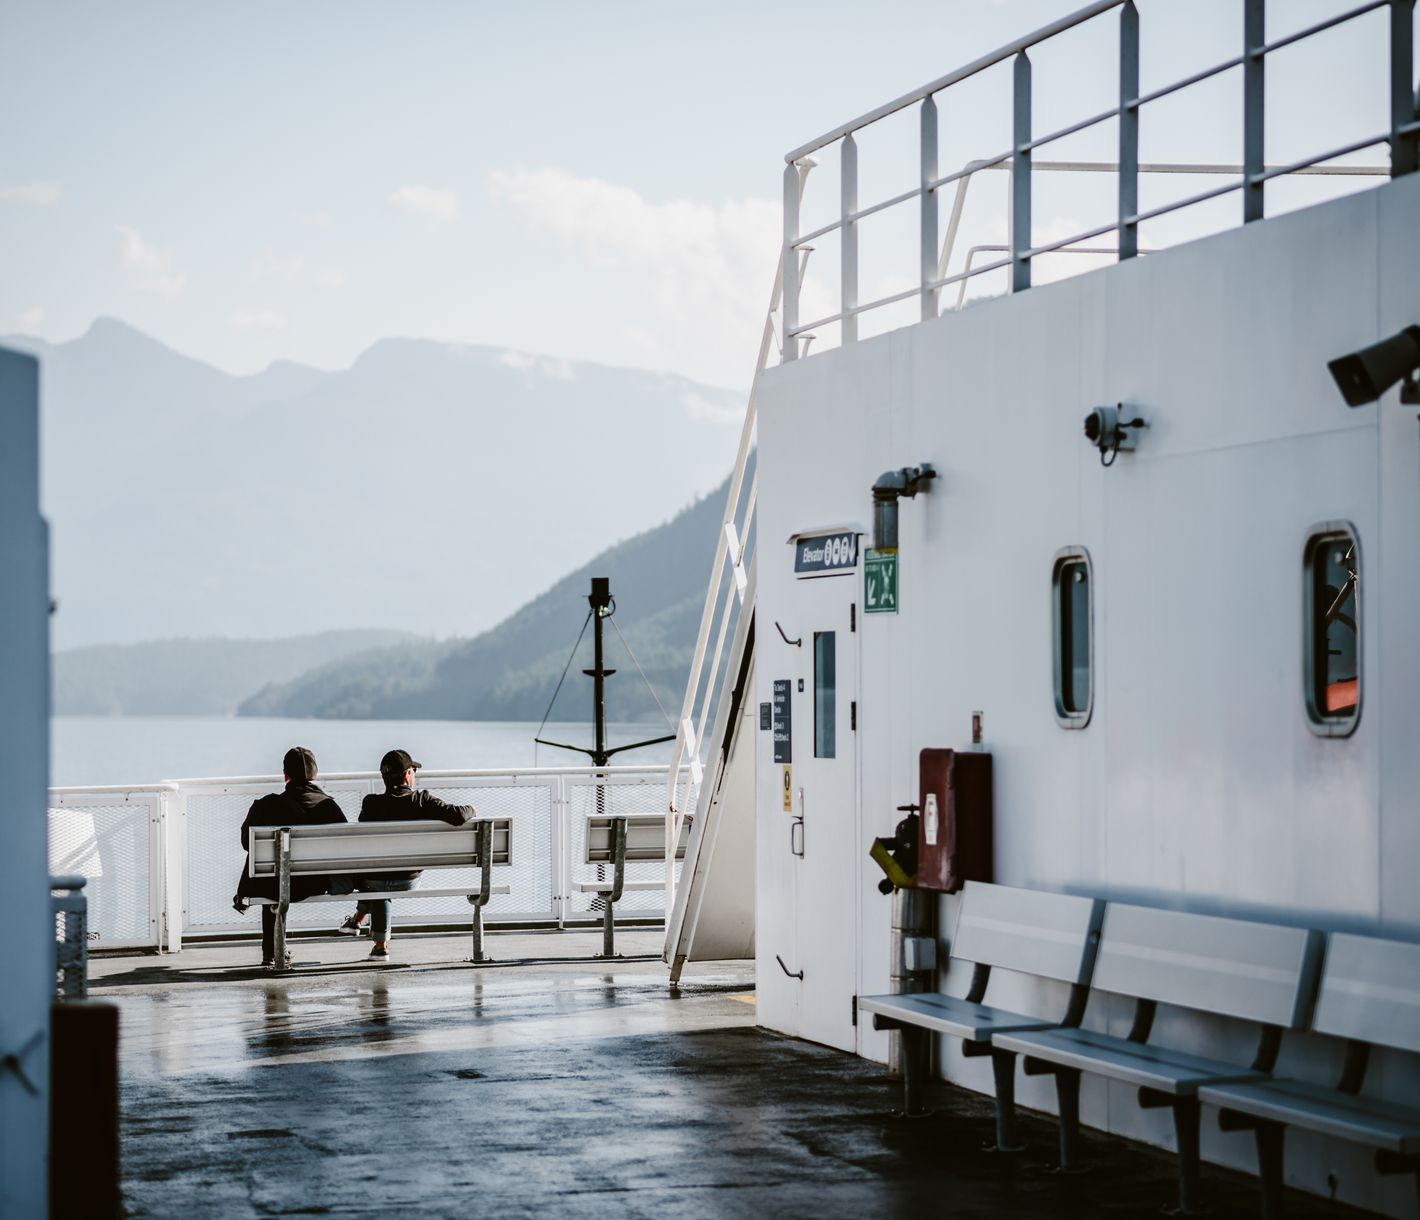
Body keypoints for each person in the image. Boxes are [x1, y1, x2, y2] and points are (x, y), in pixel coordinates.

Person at [339, 749, 475, 961]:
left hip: (375, 879)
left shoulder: (370, 803)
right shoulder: (422, 800)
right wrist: (472, 808)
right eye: (413, 770)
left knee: (377, 880)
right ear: (406, 775)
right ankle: (372, 938)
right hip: (408, 879)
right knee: (381, 880)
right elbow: (457, 816)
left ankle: (375, 939)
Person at [233, 747, 349, 968]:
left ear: (286, 774)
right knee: (277, 875)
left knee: (274, 874)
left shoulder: (265, 805)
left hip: (271, 885)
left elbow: (246, 844)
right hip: (314, 883)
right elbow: (342, 844)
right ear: (315, 774)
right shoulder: (329, 807)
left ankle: (270, 951)